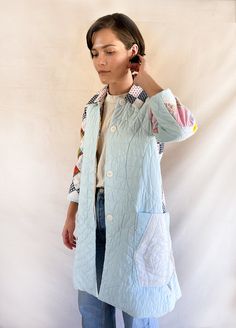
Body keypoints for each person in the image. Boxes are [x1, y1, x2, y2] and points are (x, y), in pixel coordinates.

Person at [62, 13, 198, 328]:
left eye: (110, 51)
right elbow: (83, 162)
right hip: (91, 212)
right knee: (93, 309)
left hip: (135, 218)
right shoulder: (92, 107)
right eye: (95, 53)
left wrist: (145, 76)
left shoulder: (151, 104)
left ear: (132, 52)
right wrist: (71, 213)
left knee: (138, 309)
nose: (100, 61)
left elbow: (182, 127)